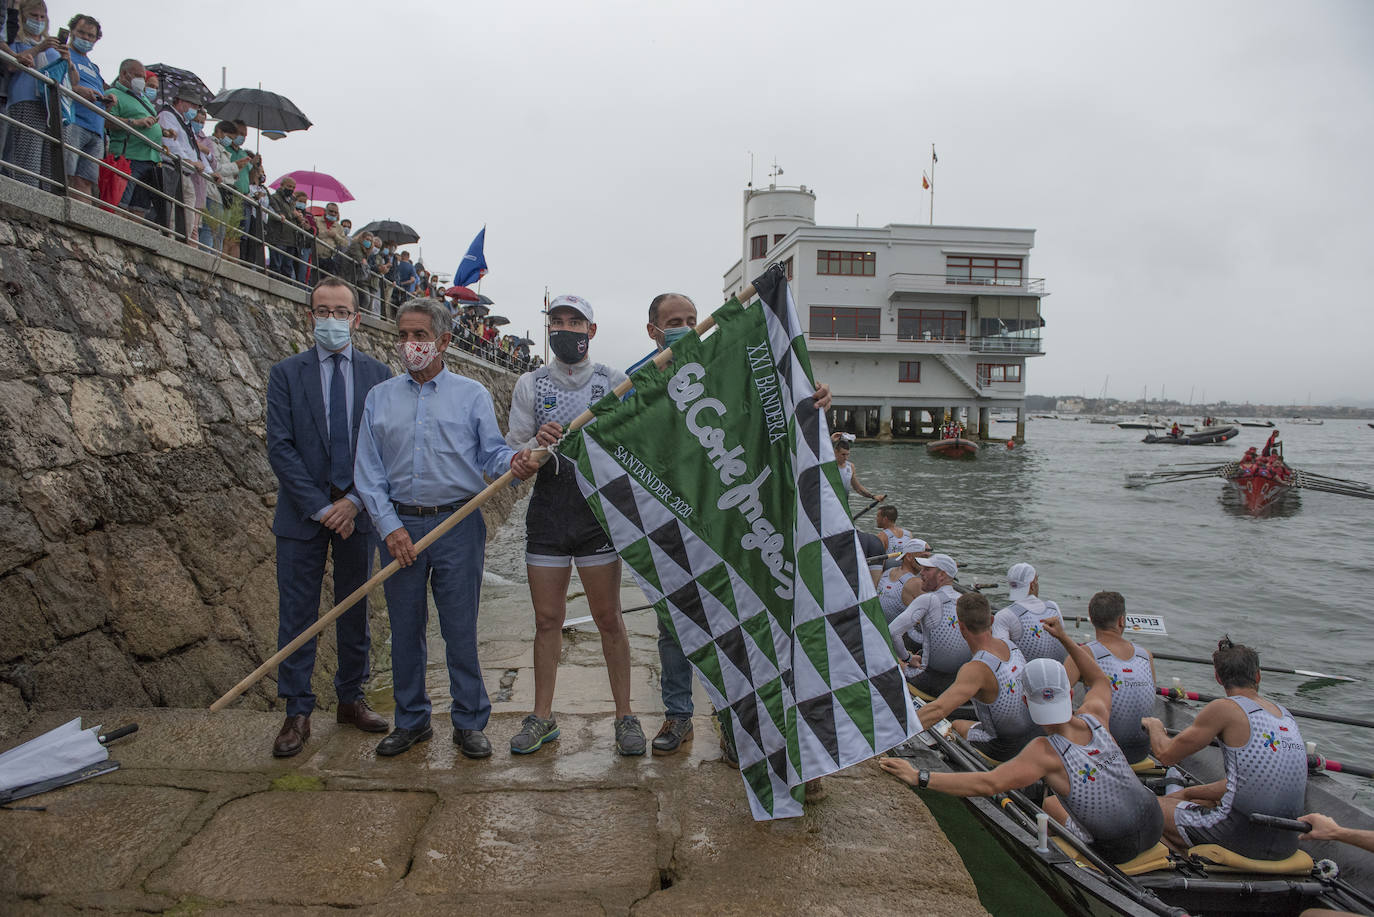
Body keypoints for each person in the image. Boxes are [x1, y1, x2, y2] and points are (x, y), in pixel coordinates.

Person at [626, 292, 832, 760]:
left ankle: (734, 722)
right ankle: (678, 716)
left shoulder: (725, 358)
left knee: (738, 622)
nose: (686, 326)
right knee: (675, 626)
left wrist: (811, 394)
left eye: (692, 319)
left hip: (732, 514)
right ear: (653, 330)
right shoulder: (637, 379)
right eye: (674, 321)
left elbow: (762, 403)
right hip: (672, 517)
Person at [354, 298, 537, 758]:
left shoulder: (471, 394)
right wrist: (389, 527)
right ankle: (412, 720)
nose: (409, 344)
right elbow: (369, 471)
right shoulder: (379, 397)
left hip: (458, 524)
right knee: (405, 627)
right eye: (403, 335)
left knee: (460, 627)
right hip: (400, 527)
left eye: (419, 335)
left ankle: (469, 721)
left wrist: (513, 463)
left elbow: (490, 456)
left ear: (443, 341)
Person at [881, 616, 1165, 865]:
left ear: (1026, 702)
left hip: (1119, 848)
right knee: (1054, 805)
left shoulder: (1044, 752)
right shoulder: (1096, 713)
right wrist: (1066, 640)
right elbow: (1100, 679)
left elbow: (987, 783)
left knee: (1050, 805)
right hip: (1155, 820)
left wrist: (919, 776)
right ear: (1070, 693)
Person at [505, 294, 644, 757]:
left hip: (597, 513)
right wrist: (532, 443)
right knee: (548, 620)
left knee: (608, 618)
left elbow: (639, 444)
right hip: (548, 510)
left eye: (575, 321)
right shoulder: (530, 383)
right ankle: (543, 716)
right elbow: (515, 456)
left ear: (591, 330)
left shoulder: (616, 381)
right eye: (557, 321)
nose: (566, 328)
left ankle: (625, 715)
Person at [264, 278, 392, 757]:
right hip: (302, 516)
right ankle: (297, 710)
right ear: (309, 316)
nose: (332, 319)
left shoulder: (379, 375)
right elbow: (280, 446)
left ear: (357, 319)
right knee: (297, 613)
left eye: (341, 311)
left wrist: (355, 501)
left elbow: (384, 447)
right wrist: (320, 506)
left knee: (354, 608)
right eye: (323, 310)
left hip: (358, 513)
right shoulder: (286, 374)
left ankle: (350, 698)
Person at [1143, 636, 1308, 859]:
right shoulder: (1284, 715)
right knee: (1202, 800)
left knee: (1147, 807)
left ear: (1218, 677)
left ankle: (1183, 859)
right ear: (1258, 676)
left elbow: (1166, 755)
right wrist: (1189, 793)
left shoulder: (1224, 708)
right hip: (1286, 844)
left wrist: (1154, 726)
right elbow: (1253, 781)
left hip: (1238, 837)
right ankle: (1189, 845)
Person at [909, 592, 1043, 761]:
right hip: (1033, 734)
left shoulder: (976, 669)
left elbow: (938, 710)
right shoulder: (1011, 646)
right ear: (992, 620)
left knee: (956, 724)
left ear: (961, 627)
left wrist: (896, 732)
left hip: (1003, 748)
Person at [1078, 590, 1155, 764]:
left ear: (1092, 620)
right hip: (1140, 752)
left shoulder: (1085, 654)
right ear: (1122, 620)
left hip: (1105, 754)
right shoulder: (1146, 655)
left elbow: (1058, 696)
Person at [3, 1, 67, 190]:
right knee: (28, 158)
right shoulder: (15, 41)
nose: (39, 20)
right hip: (26, 101)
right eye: (34, 16)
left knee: (50, 161)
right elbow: (10, 65)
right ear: (23, 17)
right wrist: (38, 48)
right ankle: (26, 198)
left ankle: (47, 206)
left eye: (42, 16)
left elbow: (69, 79)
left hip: (52, 107)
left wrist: (67, 60)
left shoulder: (53, 48)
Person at [887, 553, 969, 696]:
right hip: (959, 679)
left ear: (941, 575)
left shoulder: (928, 599)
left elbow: (892, 632)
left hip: (929, 681)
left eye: (927, 569)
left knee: (891, 658)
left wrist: (907, 658)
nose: (921, 573)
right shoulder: (965, 600)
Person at [61, 14, 110, 202]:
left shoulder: (93, 66)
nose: (86, 38)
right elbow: (56, 80)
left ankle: (82, 223)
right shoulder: (64, 53)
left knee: (86, 179)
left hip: (96, 128)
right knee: (67, 174)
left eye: (91, 36)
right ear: (72, 31)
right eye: (81, 33)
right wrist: (78, 90)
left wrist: (107, 99)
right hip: (74, 122)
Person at [105, 60, 163, 221]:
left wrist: (163, 131)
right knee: (121, 202)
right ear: (124, 74)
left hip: (149, 158)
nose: (142, 81)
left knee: (140, 206)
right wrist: (134, 123)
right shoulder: (113, 94)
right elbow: (106, 120)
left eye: (143, 78)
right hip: (128, 156)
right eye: (138, 76)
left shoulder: (143, 99)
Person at [156, 85, 206, 241]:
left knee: (187, 218)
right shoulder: (167, 115)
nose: (195, 110)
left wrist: (199, 163)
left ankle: (182, 242)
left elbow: (189, 147)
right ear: (183, 102)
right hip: (173, 168)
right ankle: (170, 241)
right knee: (172, 216)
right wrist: (190, 161)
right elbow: (170, 144)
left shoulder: (185, 124)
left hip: (186, 172)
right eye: (194, 106)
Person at [991, 563, 1067, 664]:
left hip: (1028, 677)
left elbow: (1000, 658)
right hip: (1060, 675)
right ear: (1032, 585)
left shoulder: (1004, 616)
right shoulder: (1053, 607)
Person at [876, 538, 930, 624]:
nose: (927, 562)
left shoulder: (887, 573)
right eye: (924, 557)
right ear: (908, 557)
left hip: (882, 628)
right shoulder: (916, 583)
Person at [832, 435, 883, 505]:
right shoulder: (828, 466)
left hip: (843, 506)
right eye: (843, 454)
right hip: (828, 505)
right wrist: (831, 440)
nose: (846, 458)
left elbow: (858, 488)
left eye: (847, 454)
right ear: (835, 452)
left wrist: (873, 496)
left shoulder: (850, 467)